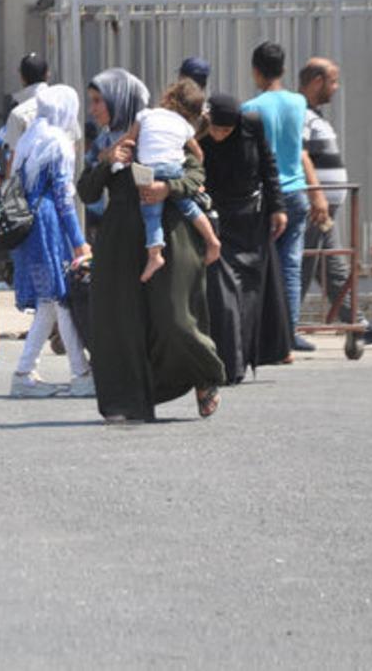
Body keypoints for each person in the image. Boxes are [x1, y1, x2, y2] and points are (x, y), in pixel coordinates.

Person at [77, 69, 224, 422]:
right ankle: (128, 402)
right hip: (119, 240)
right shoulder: (109, 144)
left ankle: (205, 374)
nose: (94, 108)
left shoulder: (165, 132)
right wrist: (108, 160)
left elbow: (196, 175)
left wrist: (167, 189)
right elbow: (87, 191)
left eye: (99, 101)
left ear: (119, 100)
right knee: (120, 323)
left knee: (175, 318)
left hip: (171, 236)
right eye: (93, 101)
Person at [297, 58, 372, 347]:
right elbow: (300, 155)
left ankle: (359, 324)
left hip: (324, 206)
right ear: (317, 81)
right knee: (306, 262)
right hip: (315, 205)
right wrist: (316, 194)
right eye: (333, 81)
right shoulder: (302, 115)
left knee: (332, 267)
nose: (336, 88)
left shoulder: (314, 115)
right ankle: (286, 329)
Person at [242, 42, 328, 355]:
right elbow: (301, 150)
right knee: (290, 267)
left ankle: (264, 336)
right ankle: (287, 335)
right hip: (296, 192)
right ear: (283, 69)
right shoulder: (298, 103)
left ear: (255, 70)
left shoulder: (251, 108)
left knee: (260, 266)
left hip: (267, 195)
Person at [199, 93, 293, 384]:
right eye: (216, 129)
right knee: (222, 292)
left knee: (250, 294)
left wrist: (278, 207)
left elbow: (268, 166)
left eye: (227, 131)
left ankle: (244, 356)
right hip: (215, 221)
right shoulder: (199, 133)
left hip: (250, 221)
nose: (220, 135)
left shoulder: (252, 125)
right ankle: (228, 363)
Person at [9, 84, 93, 398]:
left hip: (29, 224)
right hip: (48, 224)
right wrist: (79, 241)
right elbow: (63, 197)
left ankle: (24, 372)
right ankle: (80, 373)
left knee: (49, 300)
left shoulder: (30, 138)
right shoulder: (58, 142)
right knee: (61, 298)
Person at [122, 78, 222, 282]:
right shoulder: (184, 126)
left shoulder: (146, 114)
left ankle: (155, 255)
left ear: (168, 96)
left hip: (150, 166)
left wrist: (126, 155)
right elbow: (198, 153)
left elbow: (129, 140)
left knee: (151, 212)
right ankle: (212, 240)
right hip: (174, 167)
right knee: (189, 206)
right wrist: (188, 163)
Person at [1, 52, 55, 175]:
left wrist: (6, 190)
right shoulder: (63, 106)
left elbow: (13, 156)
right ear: (48, 74)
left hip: (29, 184)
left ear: (22, 78)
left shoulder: (18, 113)